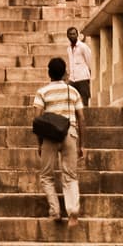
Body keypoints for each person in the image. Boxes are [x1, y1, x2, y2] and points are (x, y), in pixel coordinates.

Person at [33, 56, 83, 223]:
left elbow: (37, 119)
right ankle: (73, 210)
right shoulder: (73, 91)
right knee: (70, 175)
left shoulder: (42, 92)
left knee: (46, 176)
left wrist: (39, 143)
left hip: (50, 135)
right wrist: (81, 144)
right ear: (64, 73)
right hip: (70, 132)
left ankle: (55, 211)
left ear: (49, 73)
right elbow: (81, 117)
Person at [64, 24, 94, 105]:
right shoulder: (69, 49)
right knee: (69, 99)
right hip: (72, 79)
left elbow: (90, 61)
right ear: (68, 36)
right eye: (70, 34)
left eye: (74, 34)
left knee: (85, 100)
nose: (72, 36)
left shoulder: (83, 47)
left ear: (77, 35)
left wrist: (89, 75)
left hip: (83, 77)